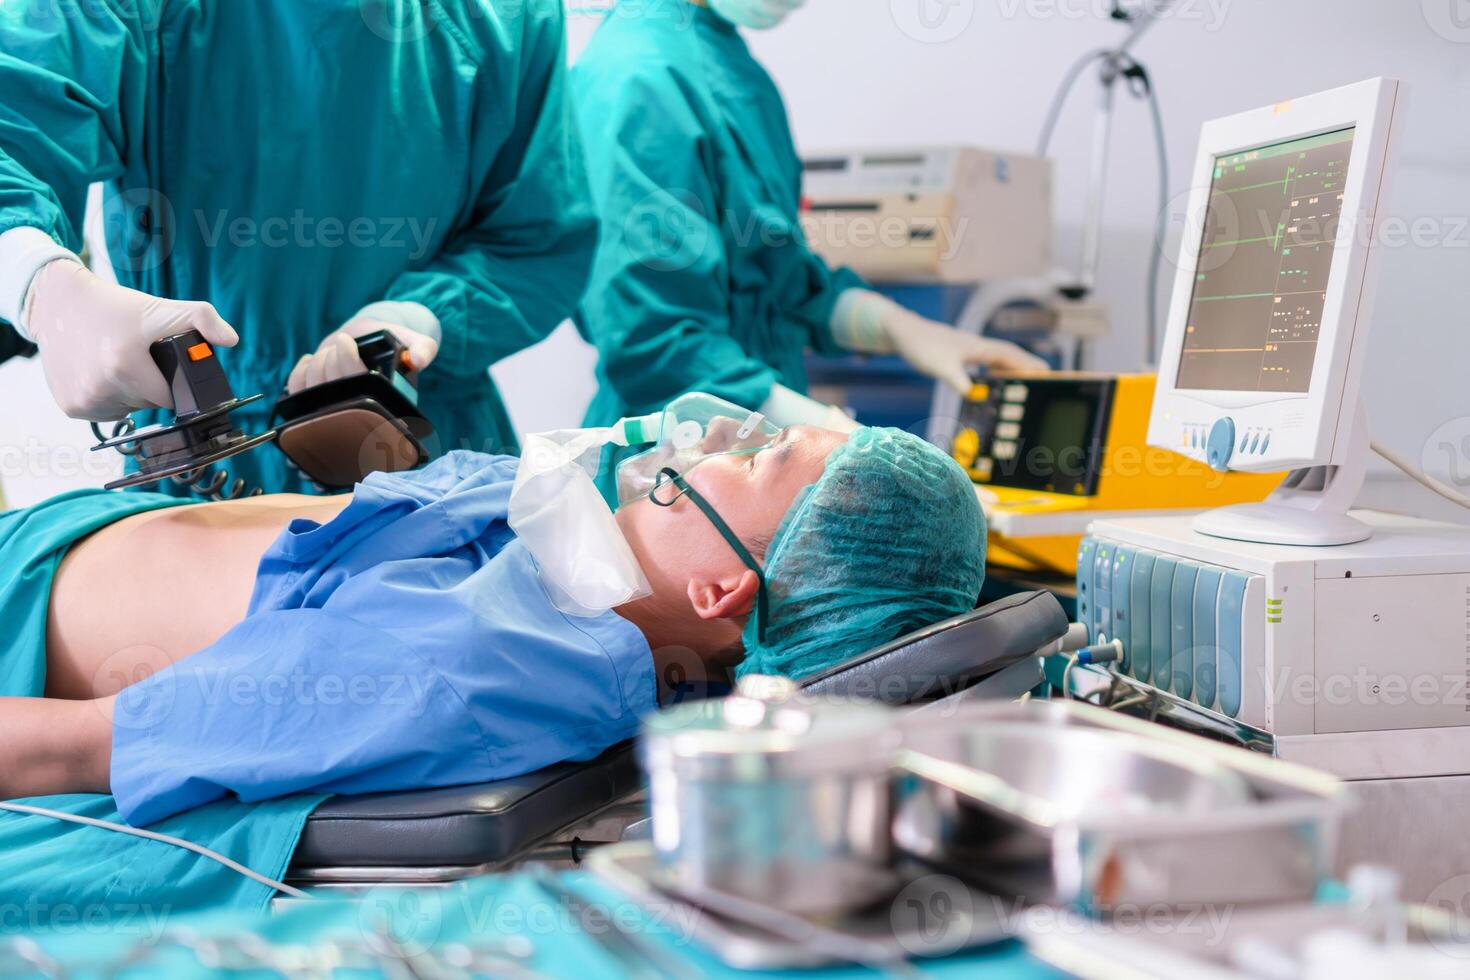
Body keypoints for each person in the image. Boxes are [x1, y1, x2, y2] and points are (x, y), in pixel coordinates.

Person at [0, 421, 985, 826]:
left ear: (725, 591)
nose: (716, 434)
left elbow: (60, 753)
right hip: (61, 530)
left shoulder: (457, 668)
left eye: (758, 454)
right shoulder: (582, 562)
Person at [0, 0, 595, 493]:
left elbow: (537, 237)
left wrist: (423, 314)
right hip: (206, 452)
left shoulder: (508, 15)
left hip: (416, 442)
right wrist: (42, 283)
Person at [570, 0, 1048, 493]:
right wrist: (835, 439)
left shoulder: (728, 63)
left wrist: (903, 328)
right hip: (669, 472)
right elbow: (654, 342)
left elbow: (778, 277)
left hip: (756, 463)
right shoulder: (637, 77)